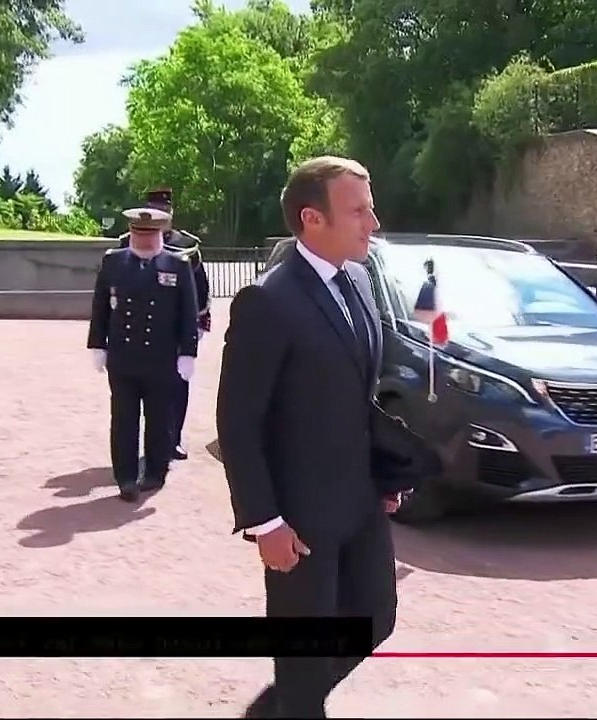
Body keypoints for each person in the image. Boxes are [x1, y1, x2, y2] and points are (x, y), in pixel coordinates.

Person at [217, 156, 415, 718]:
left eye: (370, 209)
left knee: (374, 620)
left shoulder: (358, 277)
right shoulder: (268, 302)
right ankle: (293, 704)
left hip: (361, 501)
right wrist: (264, 523)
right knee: (303, 659)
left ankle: (276, 709)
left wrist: (386, 471)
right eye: (357, 211)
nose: (372, 223)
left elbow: (357, 394)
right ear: (312, 219)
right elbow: (237, 422)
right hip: (298, 519)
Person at [88, 205, 199, 501]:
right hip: (123, 357)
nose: (145, 241)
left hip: (161, 358)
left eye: (151, 235)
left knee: (159, 419)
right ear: (131, 234)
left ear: (160, 234)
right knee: (123, 419)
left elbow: (188, 312)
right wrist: (97, 344)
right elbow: (100, 306)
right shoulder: (114, 263)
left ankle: (154, 472)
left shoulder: (177, 265)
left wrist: (188, 352)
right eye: (139, 234)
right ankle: (125, 476)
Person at [117, 187, 211, 460]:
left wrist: (201, 321)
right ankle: (146, 442)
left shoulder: (186, 244)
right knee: (140, 387)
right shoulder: (127, 243)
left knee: (178, 382)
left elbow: (199, 286)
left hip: (177, 325)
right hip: (139, 325)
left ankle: (173, 439)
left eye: (165, 211)